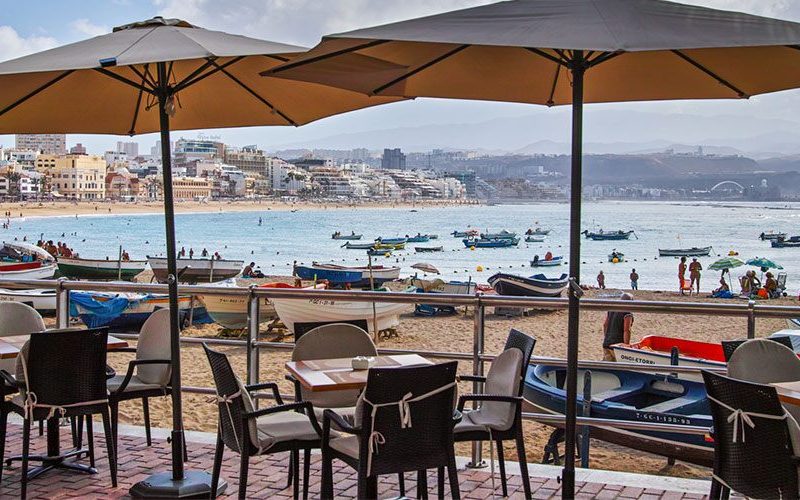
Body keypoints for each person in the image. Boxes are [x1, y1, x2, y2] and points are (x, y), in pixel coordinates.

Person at [602, 293, 634, 361]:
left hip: (607, 343)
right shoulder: (627, 313)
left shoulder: (612, 309)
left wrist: (607, 337)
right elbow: (626, 330)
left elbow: (605, 325)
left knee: (607, 364)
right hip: (618, 345)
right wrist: (626, 345)